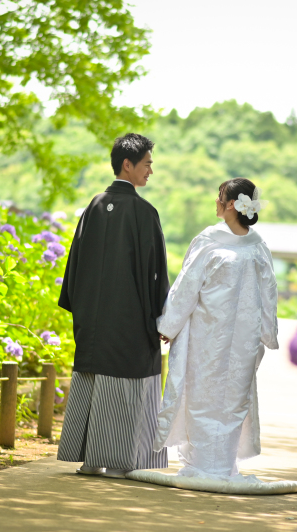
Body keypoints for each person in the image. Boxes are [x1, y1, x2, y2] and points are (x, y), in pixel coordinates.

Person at [56, 133, 170, 478]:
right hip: (130, 322)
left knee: (94, 379)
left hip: (92, 321)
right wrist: (162, 319)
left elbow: (73, 267)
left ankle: (91, 459)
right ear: (128, 164)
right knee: (128, 385)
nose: (151, 171)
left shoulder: (92, 206)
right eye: (147, 164)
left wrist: (83, 310)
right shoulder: (144, 212)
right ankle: (122, 462)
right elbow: (156, 275)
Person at [154, 178, 279, 482]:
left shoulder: (226, 243)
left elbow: (187, 287)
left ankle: (215, 465)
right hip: (226, 337)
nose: (216, 202)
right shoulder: (248, 246)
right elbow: (269, 295)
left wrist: (170, 325)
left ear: (232, 204)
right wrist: (267, 333)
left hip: (219, 337)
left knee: (218, 396)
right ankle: (211, 465)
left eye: (220, 197)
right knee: (216, 397)